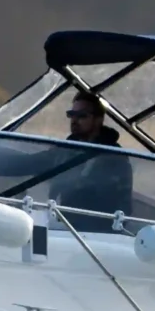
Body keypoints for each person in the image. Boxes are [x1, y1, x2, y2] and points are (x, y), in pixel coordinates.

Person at [49, 91, 134, 219]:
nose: (74, 120)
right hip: (61, 223)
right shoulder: (65, 149)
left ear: (99, 120)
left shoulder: (115, 156)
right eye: (71, 115)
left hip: (96, 231)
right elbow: (34, 162)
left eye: (81, 116)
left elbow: (121, 204)